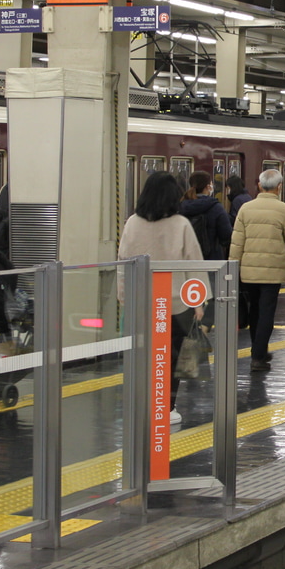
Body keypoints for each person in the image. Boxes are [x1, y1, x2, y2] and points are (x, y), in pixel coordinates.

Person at [118, 171, 205, 426]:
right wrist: (198, 302)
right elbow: (194, 263)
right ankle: (166, 408)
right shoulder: (181, 224)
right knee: (172, 358)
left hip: (141, 301)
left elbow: (123, 261)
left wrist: (124, 296)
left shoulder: (132, 222)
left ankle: (143, 404)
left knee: (144, 355)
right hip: (176, 303)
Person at [229, 168, 285, 372]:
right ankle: (258, 355)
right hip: (272, 271)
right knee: (266, 312)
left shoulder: (245, 208)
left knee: (254, 311)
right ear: (279, 187)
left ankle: (258, 349)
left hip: (248, 270)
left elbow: (237, 242)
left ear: (260, 186)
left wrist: (233, 265)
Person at [180, 171, 232, 260]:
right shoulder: (216, 207)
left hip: (187, 259)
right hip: (212, 260)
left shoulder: (182, 206)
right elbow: (226, 236)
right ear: (208, 187)